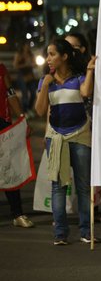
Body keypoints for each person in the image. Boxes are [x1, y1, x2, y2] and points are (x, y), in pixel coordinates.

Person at [35, 38, 99, 245]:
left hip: (80, 135)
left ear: (64, 57)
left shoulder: (79, 78)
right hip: (56, 138)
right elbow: (40, 110)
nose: (48, 59)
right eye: (48, 54)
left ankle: (86, 231)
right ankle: (60, 233)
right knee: (58, 187)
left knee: (83, 185)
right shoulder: (46, 81)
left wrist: (90, 70)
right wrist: (45, 85)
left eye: (52, 54)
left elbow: (86, 93)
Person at [65, 32, 101, 224]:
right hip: (66, 124)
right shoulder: (59, 68)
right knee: (64, 173)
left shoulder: (91, 66)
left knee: (89, 171)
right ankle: (62, 213)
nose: (69, 52)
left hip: (88, 123)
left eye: (73, 48)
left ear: (82, 49)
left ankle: (94, 210)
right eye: (65, 47)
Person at [0, 63, 34, 228]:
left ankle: (18, 214)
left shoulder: (1, 68)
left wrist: (22, 117)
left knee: (9, 168)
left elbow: (10, 93)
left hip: (2, 123)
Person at [12, 42, 37, 117]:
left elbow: (34, 64)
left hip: (30, 76)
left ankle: (29, 109)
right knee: (25, 93)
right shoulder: (19, 54)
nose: (27, 47)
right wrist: (25, 64)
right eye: (26, 46)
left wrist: (33, 64)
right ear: (23, 46)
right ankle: (24, 111)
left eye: (28, 46)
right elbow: (15, 65)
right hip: (22, 76)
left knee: (33, 93)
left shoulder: (31, 55)